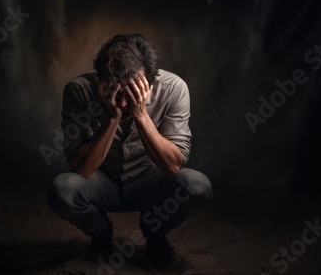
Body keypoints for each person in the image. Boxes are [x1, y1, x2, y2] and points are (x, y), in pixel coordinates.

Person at [46, 33, 212, 268]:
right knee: (61, 190)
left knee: (198, 186)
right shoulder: (79, 90)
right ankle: (101, 235)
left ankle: (155, 231)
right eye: (115, 89)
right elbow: (82, 168)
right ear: (101, 78)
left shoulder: (174, 88)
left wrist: (141, 114)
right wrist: (112, 117)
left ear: (150, 81)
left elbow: (173, 165)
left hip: (150, 180)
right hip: (101, 181)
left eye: (132, 91)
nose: (123, 102)